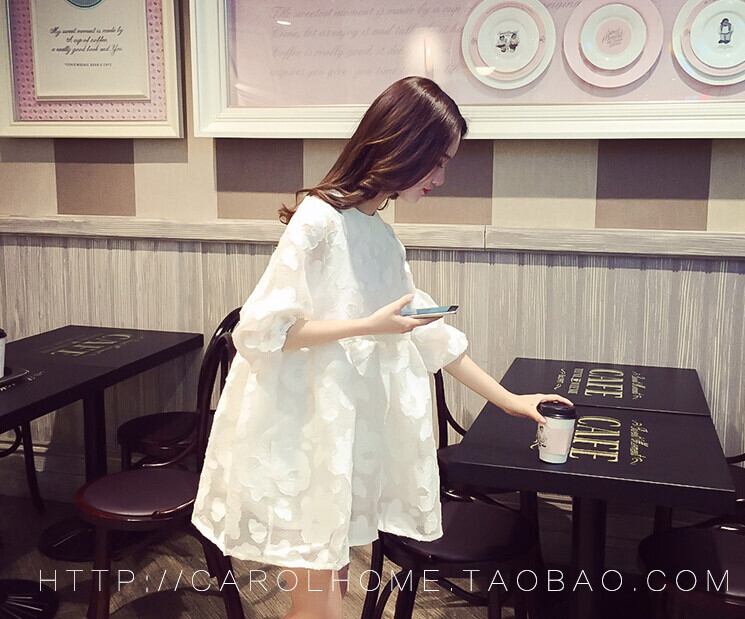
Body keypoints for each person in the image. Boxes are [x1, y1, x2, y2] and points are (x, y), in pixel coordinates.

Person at [191, 76, 572, 619]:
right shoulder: (319, 219)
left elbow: (430, 336)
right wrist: (366, 326)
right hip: (306, 430)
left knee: (331, 585)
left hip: (344, 432)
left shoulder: (380, 235)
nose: (440, 178)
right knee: (316, 601)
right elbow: (261, 331)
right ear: (403, 145)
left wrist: (511, 401)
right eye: (437, 162)